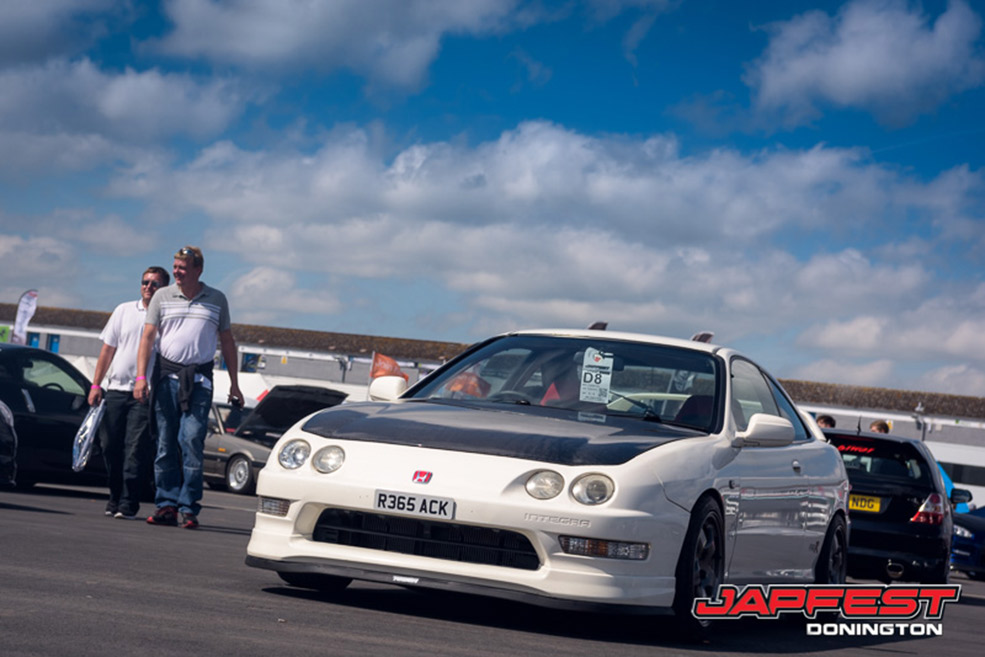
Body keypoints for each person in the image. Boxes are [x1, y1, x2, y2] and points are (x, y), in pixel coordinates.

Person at [134, 246, 243, 529]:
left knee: (192, 439)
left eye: (182, 267)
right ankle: (166, 504)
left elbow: (227, 341)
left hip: (199, 381)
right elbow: (147, 337)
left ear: (198, 270)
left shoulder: (216, 299)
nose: (177, 272)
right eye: (175, 267)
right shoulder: (162, 296)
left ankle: (189, 507)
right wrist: (141, 377)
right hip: (165, 378)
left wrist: (235, 384)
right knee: (165, 443)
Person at [88, 266, 170, 518]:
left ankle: (128, 503)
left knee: (134, 449)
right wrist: (96, 384)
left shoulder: (167, 317)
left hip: (144, 394)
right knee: (109, 445)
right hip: (115, 389)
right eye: (145, 282)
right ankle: (114, 496)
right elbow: (107, 350)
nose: (148, 287)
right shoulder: (123, 310)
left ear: (164, 289)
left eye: (154, 284)